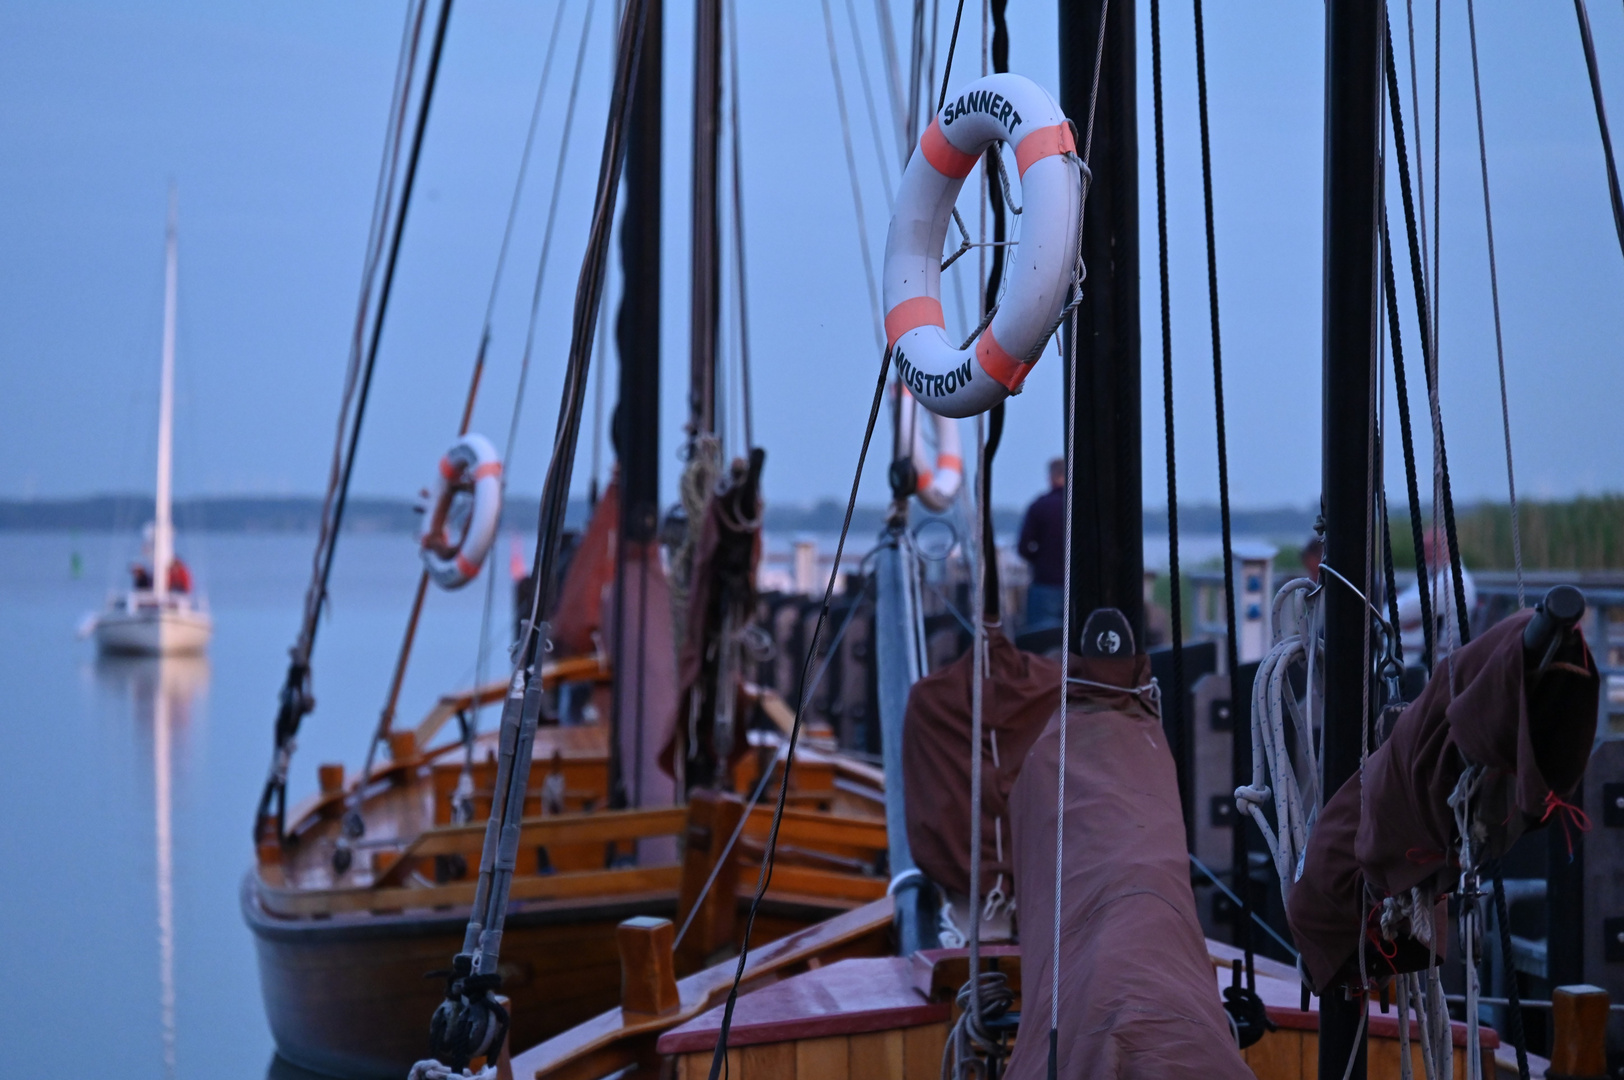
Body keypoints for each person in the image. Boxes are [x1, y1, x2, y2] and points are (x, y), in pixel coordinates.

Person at [1395, 532, 1476, 664]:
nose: (1427, 553)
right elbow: (1402, 608)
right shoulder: (1433, 574)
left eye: (1434, 547)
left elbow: (1397, 613)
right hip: (1416, 650)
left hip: (1432, 660)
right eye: (1424, 548)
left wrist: (1411, 619)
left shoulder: (1451, 581)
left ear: (1450, 548)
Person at [1018, 458, 1067, 633]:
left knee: (1041, 643)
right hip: (1078, 587)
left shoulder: (1039, 506)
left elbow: (1023, 547)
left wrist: (1040, 560)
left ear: (1051, 477)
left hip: (1045, 584)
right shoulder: (1083, 506)